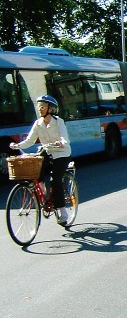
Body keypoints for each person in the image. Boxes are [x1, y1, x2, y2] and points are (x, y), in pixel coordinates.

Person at [10, 95, 72, 225]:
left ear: (51, 109)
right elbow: (30, 141)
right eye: (39, 107)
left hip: (62, 153)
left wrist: (61, 143)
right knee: (35, 167)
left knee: (55, 181)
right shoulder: (38, 124)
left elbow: (65, 138)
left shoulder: (58, 121)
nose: (40, 109)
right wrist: (17, 145)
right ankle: (42, 190)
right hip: (47, 152)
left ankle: (63, 211)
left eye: (42, 107)